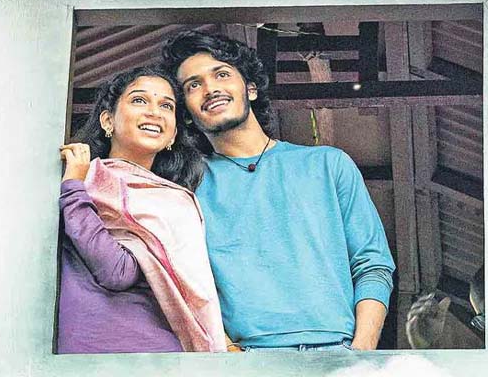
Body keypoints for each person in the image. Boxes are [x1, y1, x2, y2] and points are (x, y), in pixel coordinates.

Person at [161, 31, 396, 352]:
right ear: (186, 113)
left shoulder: (328, 164)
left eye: (222, 74)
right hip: (246, 360)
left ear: (251, 89)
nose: (210, 88)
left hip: (338, 355)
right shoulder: (186, 187)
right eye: (193, 85)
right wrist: (227, 355)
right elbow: (180, 284)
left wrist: (360, 352)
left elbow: (372, 264)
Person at [56, 65, 224, 353]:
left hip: (149, 358)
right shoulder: (74, 178)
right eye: (139, 100)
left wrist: (73, 190)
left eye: (166, 106)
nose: (154, 112)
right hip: (81, 355)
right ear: (108, 120)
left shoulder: (172, 203)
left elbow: (117, 272)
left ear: (172, 135)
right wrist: (75, 183)